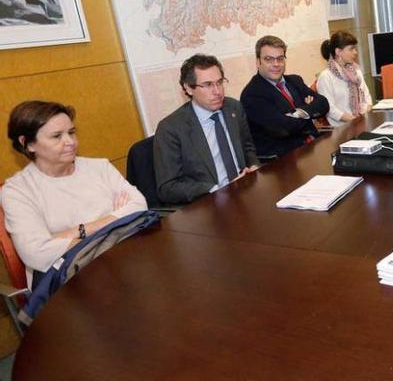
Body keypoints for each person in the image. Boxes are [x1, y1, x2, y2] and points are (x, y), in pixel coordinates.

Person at [1, 101, 147, 288]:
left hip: (123, 263)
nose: (70, 142)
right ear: (28, 143)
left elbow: (139, 206)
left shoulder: (99, 167)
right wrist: (114, 221)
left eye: (71, 132)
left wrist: (73, 233)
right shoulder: (17, 191)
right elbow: (36, 252)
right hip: (66, 282)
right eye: (56, 136)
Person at [154, 54, 260, 205]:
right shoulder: (171, 128)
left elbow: (248, 148)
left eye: (219, 82)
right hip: (210, 203)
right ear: (188, 88)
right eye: (208, 84)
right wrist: (216, 189)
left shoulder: (234, 108)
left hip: (246, 193)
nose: (217, 91)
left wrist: (254, 166)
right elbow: (167, 188)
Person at [241, 35, 330, 156]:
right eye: (269, 59)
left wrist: (299, 113)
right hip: (285, 160)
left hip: (313, 146)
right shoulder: (252, 94)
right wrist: (311, 113)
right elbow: (283, 128)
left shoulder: (295, 80)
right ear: (258, 62)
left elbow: (323, 103)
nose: (276, 64)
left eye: (280, 58)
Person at [316, 31, 373, 126]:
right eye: (351, 49)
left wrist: (365, 112)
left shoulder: (356, 72)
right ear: (338, 51)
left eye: (355, 48)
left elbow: (367, 97)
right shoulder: (326, 77)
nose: (355, 52)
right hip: (341, 130)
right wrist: (354, 120)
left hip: (362, 123)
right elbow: (329, 109)